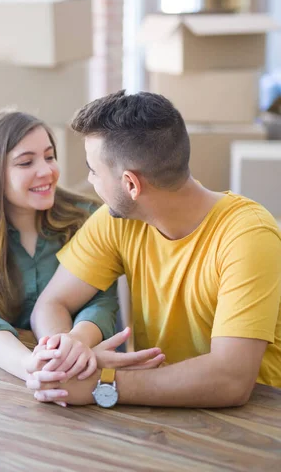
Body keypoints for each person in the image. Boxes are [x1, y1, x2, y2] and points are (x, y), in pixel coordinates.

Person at [27, 90, 281, 408]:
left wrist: (101, 385)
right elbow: (52, 303)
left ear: (131, 184)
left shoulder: (248, 235)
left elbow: (230, 379)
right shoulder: (116, 220)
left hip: (253, 425)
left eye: (93, 170)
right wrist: (62, 354)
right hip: (153, 413)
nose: (90, 180)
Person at [0, 108, 164, 385]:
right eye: (26, 163)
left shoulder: (87, 216)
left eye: (49, 157)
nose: (47, 171)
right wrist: (30, 365)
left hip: (92, 363)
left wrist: (72, 349)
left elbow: (102, 303)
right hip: (16, 369)